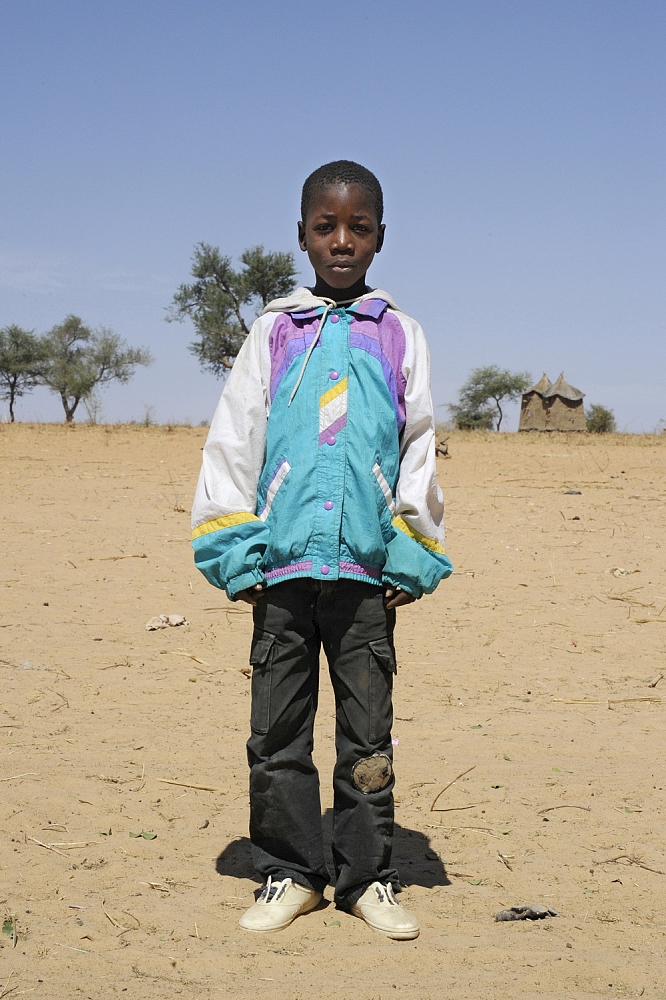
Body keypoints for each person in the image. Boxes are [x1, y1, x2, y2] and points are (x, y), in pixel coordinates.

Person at [191, 160, 452, 939]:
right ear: (301, 235)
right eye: (325, 226)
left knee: (367, 732)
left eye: (358, 227)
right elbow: (233, 443)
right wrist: (235, 553)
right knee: (277, 732)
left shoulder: (400, 333)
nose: (342, 241)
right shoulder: (273, 332)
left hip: (367, 571)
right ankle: (290, 871)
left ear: (380, 236)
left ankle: (369, 876)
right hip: (282, 569)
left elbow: (419, 447)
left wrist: (410, 550)